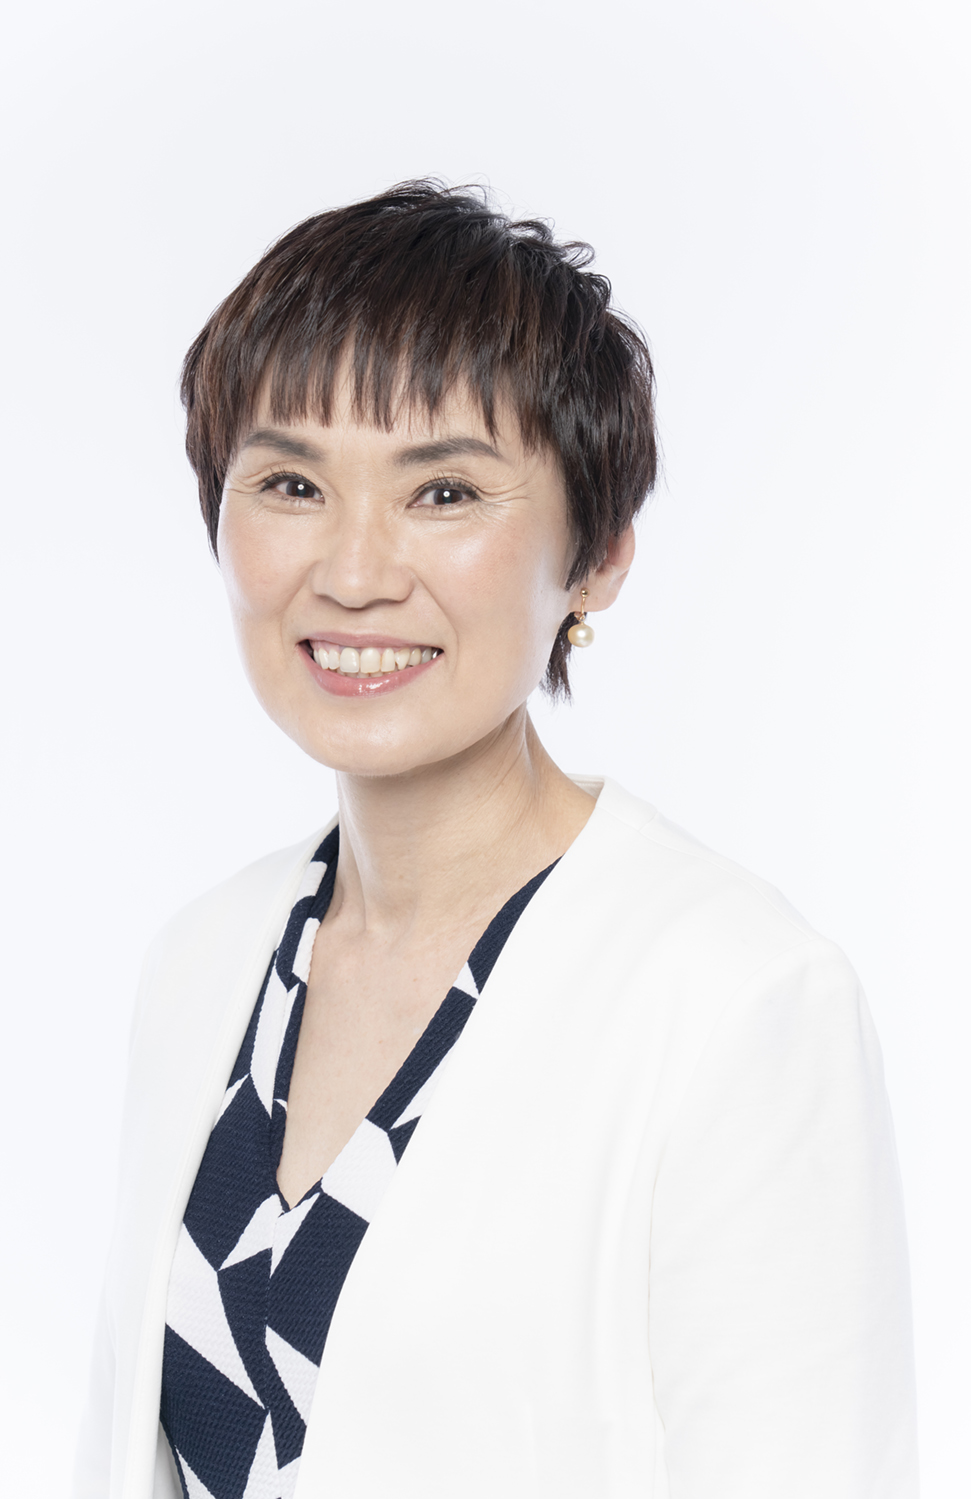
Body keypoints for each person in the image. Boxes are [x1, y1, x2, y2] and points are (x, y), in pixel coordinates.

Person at [74, 181, 918, 1499]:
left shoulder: (739, 1004)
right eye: (291, 482)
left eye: (444, 491)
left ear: (598, 556)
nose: (354, 573)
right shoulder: (201, 963)